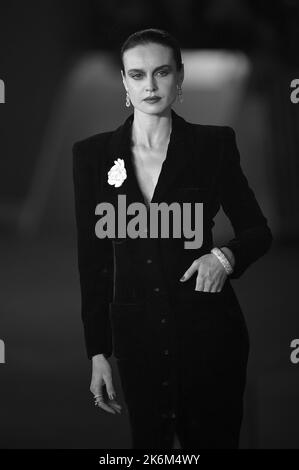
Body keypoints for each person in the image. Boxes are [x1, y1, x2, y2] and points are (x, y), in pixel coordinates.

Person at [72, 28, 273, 449]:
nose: (150, 85)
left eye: (162, 72)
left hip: (211, 336)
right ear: (125, 82)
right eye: (138, 74)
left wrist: (224, 257)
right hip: (137, 339)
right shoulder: (91, 157)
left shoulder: (213, 146)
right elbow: (94, 263)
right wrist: (97, 353)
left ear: (179, 78)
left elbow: (257, 231)